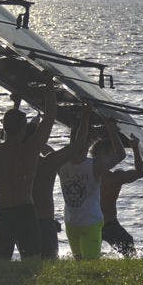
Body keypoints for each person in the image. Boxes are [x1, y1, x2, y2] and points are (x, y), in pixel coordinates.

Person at [0, 79, 57, 260]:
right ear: (23, 130)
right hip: (25, 212)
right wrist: (49, 84)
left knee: (0, 264)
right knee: (32, 262)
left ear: (4, 128)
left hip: (3, 212)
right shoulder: (30, 150)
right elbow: (50, 117)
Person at [57, 116, 126, 260]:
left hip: (87, 223)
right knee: (82, 263)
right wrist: (111, 130)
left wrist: (111, 131)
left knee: (88, 264)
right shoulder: (64, 162)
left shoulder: (90, 164)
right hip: (74, 223)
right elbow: (120, 154)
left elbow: (120, 155)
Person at [32, 110, 91, 259]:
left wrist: (17, 105)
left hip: (24, 219)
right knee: (49, 262)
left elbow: (13, 137)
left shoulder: (16, 157)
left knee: (29, 260)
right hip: (44, 221)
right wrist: (85, 116)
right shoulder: (48, 163)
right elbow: (77, 145)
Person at [101, 134, 143, 257]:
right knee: (129, 250)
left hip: (89, 221)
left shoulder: (87, 173)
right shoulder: (115, 177)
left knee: (85, 255)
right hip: (107, 223)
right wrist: (135, 148)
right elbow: (139, 173)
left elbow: (139, 173)